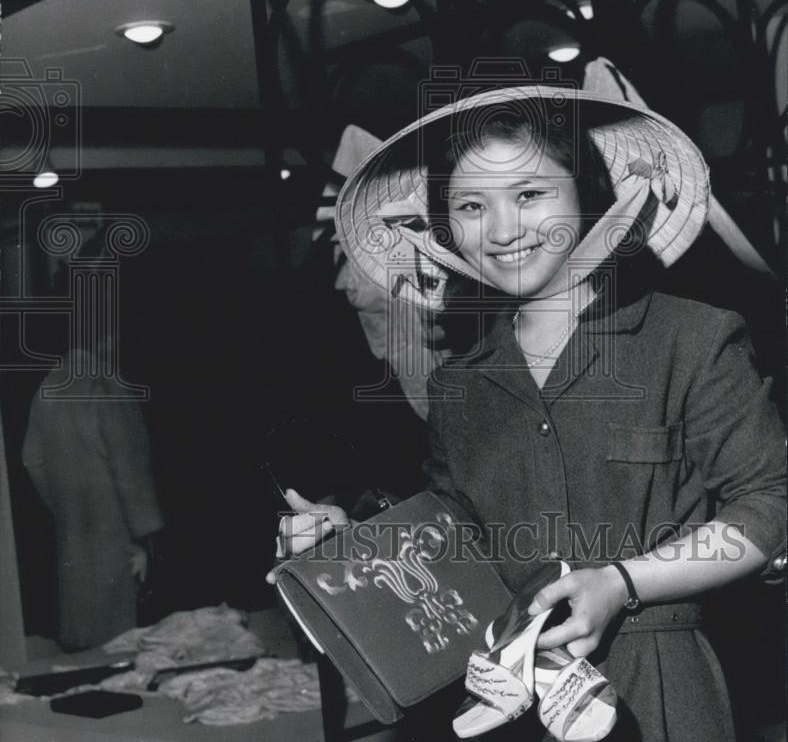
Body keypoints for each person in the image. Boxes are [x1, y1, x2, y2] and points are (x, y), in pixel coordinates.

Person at [268, 85, 786, 742]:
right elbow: (457, 546)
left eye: (531, 194)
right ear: (444, 231)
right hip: (508, 702)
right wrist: (353, 547)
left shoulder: (689, 340)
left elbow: (768, 504)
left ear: (586, 194)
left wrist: (622, 582)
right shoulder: (461, 385)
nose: (504, 229)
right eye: (472, 206)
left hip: (656, 691)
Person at [23, 337, 164, 650]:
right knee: (124, 636)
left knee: (83, 634)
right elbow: (128, 463)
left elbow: (31, 458)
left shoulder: (50, 383)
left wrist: (62, 504)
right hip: (118, 529)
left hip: (72, 530)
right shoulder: (108, 384)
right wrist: (147, 533)